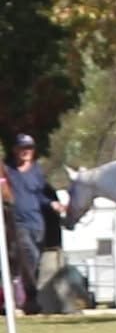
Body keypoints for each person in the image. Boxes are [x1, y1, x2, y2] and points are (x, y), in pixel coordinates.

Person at [4, 133, 62, 310]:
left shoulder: (37, 170)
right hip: (18, 222)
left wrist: (51, 203)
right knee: (29, 255)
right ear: (15, 150)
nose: (26, 152)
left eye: (29, 148)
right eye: (23, 148)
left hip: (37, 222)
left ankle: (28, 297)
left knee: (33, 261)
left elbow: (40, 194)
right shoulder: (7, 170)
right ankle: (28, 295)